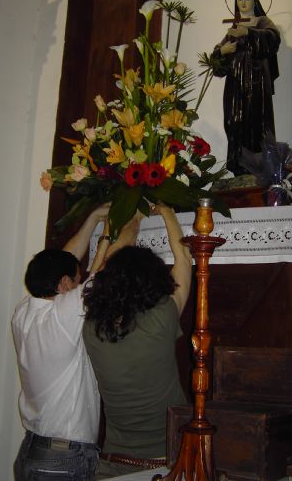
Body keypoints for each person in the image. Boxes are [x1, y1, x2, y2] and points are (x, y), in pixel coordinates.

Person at [82, 204, 193, 478]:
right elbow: (184, 262)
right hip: (167, 461)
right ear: (154, 280)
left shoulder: (91, 326)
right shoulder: (162, 316)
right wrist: (167, 213)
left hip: (112, 462)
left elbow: (97, 274)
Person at [12, 204, 112, 481]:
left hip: (33, 451)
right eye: (75, 280)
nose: (80, 284)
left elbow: (66, 259)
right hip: (63, 459)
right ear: (65, 285)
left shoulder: (24, 311)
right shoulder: (62, 315)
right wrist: (124, 223)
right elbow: (105, 270)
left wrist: (94, 217)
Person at [211, 0, 281, 176]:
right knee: (234, 121)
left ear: (254, 1)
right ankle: (239, 166)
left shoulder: (262, 21)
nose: (243, 2)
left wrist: (248, 33)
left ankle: (259, 166)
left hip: (257, 82)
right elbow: (216, 64)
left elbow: (273, 40)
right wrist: (221, 52)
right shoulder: (233, 29)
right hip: (235, 84)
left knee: (256, 120)